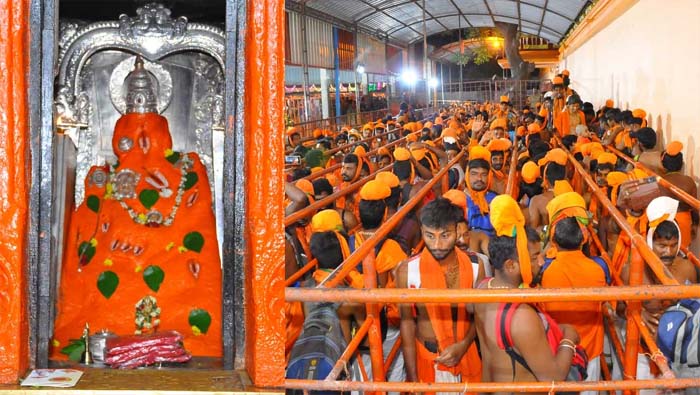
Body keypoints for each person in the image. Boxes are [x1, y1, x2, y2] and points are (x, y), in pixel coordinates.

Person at [474, 194, 580, 394]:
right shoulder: (521, 316)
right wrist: (569, 338)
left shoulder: (483, 288)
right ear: (511, 265)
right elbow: (553, 378)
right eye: (533, 257)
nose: (541, 262)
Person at [396, 198, 481, 394]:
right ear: (422, 232)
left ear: (458, 231)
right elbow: (407, 324)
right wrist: (414, 380)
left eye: (445, 235)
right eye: (430, 236)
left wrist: (464, 344)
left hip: (467, 356)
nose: (437, 244)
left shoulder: (476, 266)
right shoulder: (408, 271)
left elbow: (479, 315)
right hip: (428, 361)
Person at [539, 192, 608, 393]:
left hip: (557, 349)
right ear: (583, 238)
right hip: (591, 349)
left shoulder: (545, 271)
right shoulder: (600, 268)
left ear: (554, 239)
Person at [660, 141, 697, 250]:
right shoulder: (689, 182)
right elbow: (695, 208)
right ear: (681, 164)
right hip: (684, 223)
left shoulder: (659, 181)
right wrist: (695, 225)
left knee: (666, 254)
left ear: (664, 165)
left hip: (664, 223)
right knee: (683, 254)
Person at [465, 146, 498, 255]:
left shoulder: (495, 200)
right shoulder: (459, 198)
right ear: (467, 176)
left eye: (483, 174)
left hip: (491, 251)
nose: (479, 178)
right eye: (474, 174)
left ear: (488, 177)